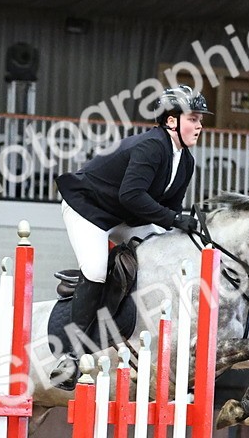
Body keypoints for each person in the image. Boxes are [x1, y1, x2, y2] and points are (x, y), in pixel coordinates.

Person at [52, 84, 212, 388]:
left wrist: (179, 226)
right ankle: (70, 356)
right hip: (89, 210)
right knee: (98, 269)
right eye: (193, 119)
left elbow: (168, 209)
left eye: (201, 120)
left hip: (127, 215)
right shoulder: (151, 147)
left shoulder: (186, 161)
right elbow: (132, 194)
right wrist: (175, 219)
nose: (200, 125)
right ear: (171, 121)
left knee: (161, 252)